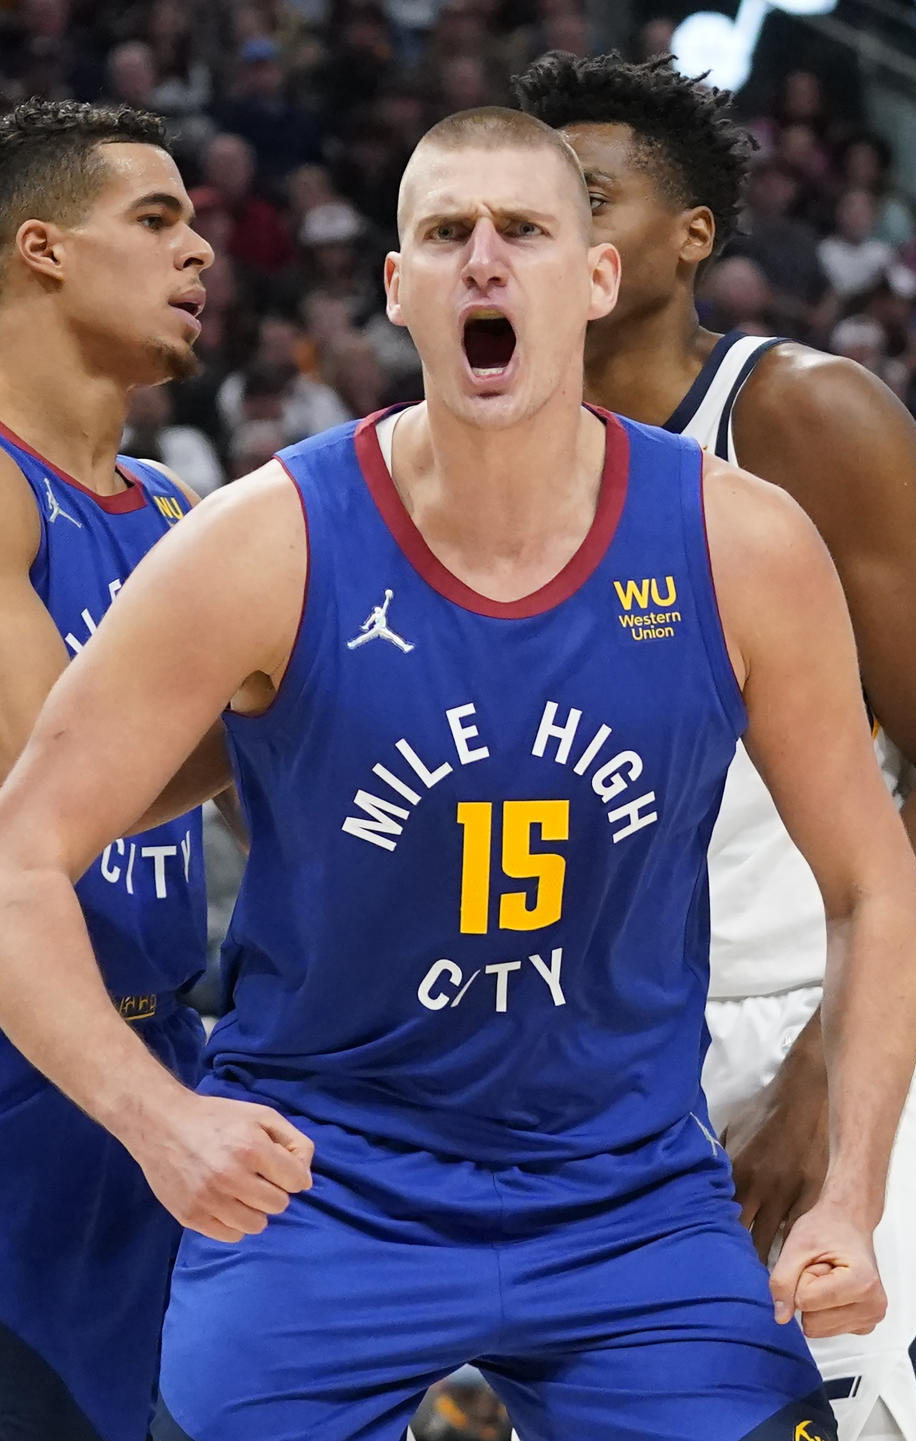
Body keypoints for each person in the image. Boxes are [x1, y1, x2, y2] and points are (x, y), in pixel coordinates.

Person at [0, 106, 916, 1441]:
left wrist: (850, 1190)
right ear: (399, 287)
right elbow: (19, 854)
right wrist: (160, 1121)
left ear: (596, 277)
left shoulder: (744, 544)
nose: (485, 261)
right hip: (326, 1184)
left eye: (527, 231)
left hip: (627, 1191)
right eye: (446, 233)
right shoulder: (263, 538)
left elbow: (873, 884)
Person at [513, 49, 916, 1441]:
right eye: (522, 212)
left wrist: (836, 1066)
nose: (548, 236)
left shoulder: (795, 415)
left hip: (821, 1016)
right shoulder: (465, 466)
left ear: (692, 232)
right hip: (590, 1071)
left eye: (590, 197)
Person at [0, 97, 223, 1441]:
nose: (198, 251)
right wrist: (326, 708)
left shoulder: (189, 512)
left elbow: (305, 827)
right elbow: (58, 784)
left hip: (158, 1075)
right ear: (41, 248)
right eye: (156, 220)